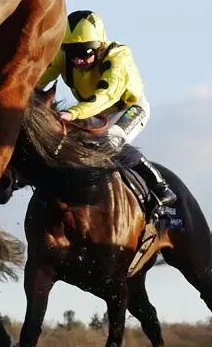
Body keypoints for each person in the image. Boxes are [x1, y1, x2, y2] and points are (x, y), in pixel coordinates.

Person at [38, 11, 177, 219]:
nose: (78, 60)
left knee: (110, 140)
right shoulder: (65, 58)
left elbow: (106, 95)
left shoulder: (118, 57)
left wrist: (73, 113)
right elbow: (38, 78)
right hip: (93, 111)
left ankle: (160, 186)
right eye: (72, 52)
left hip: (127, 108)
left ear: (99, 46)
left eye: (85, 52)